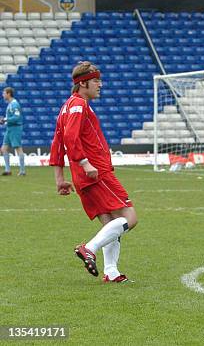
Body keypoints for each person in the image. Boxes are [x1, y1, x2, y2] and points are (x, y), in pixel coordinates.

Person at [49, 61, 138, 283]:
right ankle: (89, 248)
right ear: (83, 83)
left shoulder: (66, 107)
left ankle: (111, 271)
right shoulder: (79, 105)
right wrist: (86, 163)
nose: (100, 85)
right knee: (130, 218)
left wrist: (60, 179)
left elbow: (57, 143)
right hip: (96, 173)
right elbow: (70, 138)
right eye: (96, 81)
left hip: (84, 176)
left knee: (111, 223)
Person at [1, 87, 26, 176]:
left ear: (8, 93)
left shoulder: (14, 104)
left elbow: (17, 118)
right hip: (9, 128)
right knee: (4, 149)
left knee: (18, 148)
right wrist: (4, 121)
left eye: (4, 93)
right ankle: (8, 170)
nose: (2, 95)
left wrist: (5, 119)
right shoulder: (10, 104)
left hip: (15, 128)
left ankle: (22, 171)